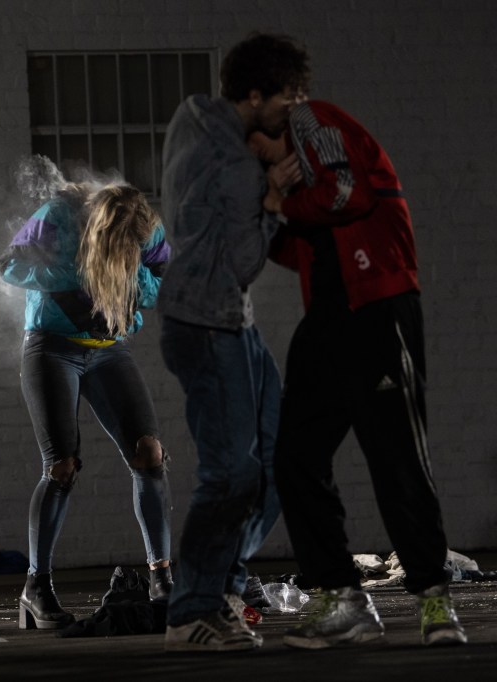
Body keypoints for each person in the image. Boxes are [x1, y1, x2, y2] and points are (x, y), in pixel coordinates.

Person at [257, 97, 468, 648]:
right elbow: (295, 249)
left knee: (396, 458)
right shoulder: (293, 177)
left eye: (259, 149)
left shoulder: (309, 121)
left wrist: (282, 197)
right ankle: (344, 600)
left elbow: (351, 194)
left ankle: (434, 602)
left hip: (376, 310)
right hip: (326, 320)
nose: (259, 161)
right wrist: (270, 207)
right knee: (296, 458)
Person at [156, 32, 310, 652]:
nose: (293, 113)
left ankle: (220, 586)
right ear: (255, 96)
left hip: (229, 325)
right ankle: (190, 609)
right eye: (287, 100)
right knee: (232, 472)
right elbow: (247, 262)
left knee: (277, 460)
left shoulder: (190, 116)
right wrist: (275, 198)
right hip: (209, 325)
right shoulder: (246, 172)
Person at [0, 177, 173, 630]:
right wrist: (75, 273)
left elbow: (159, 273)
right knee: (61, 467)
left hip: (108, 349)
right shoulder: (58, 215)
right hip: (52, 346)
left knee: (149, 454)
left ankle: (162, 577)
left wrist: (132, 281)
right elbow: (9, 267)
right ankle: (36, 588)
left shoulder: (143, 226)